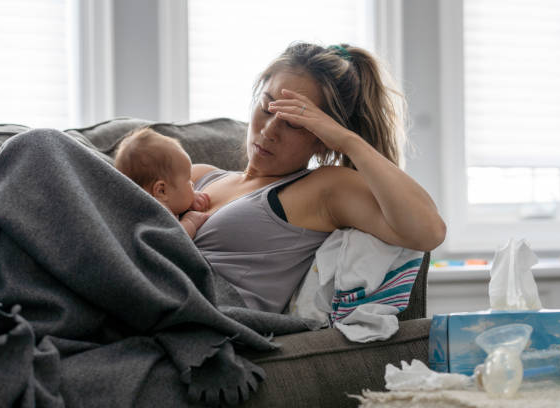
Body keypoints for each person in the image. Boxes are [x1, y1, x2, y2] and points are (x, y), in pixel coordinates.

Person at [191, 42, 446, 314]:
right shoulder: (200, 175)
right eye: (267, 108)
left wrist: (349, 142)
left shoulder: (322, 189)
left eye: (294, 123)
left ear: (322, 139)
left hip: (201, 312)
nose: (269, 131)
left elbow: (429, 232)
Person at [114, 127, 210, 239]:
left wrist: (189, 199)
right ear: (161, 191)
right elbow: (173, 242)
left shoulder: (155, 201)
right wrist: (190, 222)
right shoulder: (151, 216)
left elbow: (175, 200)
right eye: (188, 180)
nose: (192, 183)